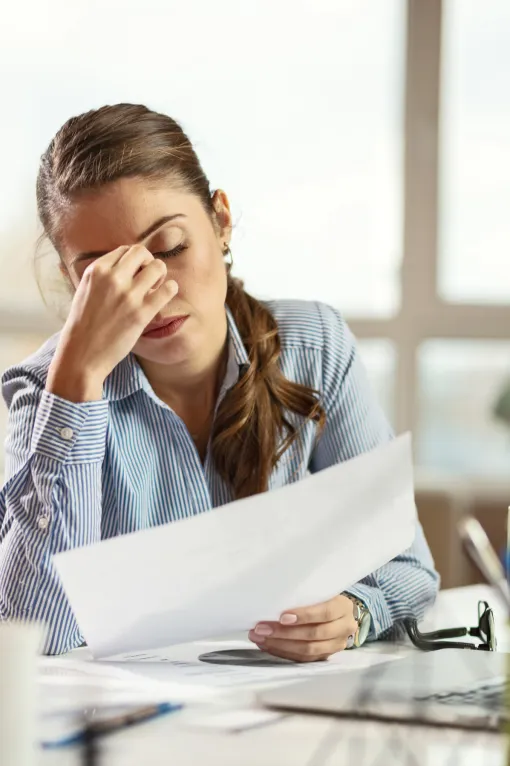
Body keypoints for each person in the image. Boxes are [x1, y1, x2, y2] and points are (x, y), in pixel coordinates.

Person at [0, 103, 439, 658]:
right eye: (104, 273)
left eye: (169, 248)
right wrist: (77, 382)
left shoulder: (314, 347)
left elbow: (409, 568)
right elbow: (32, 640)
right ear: (74, 281)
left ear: (221, 220)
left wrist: (355, 612)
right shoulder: (48, 390)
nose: (151, 291)